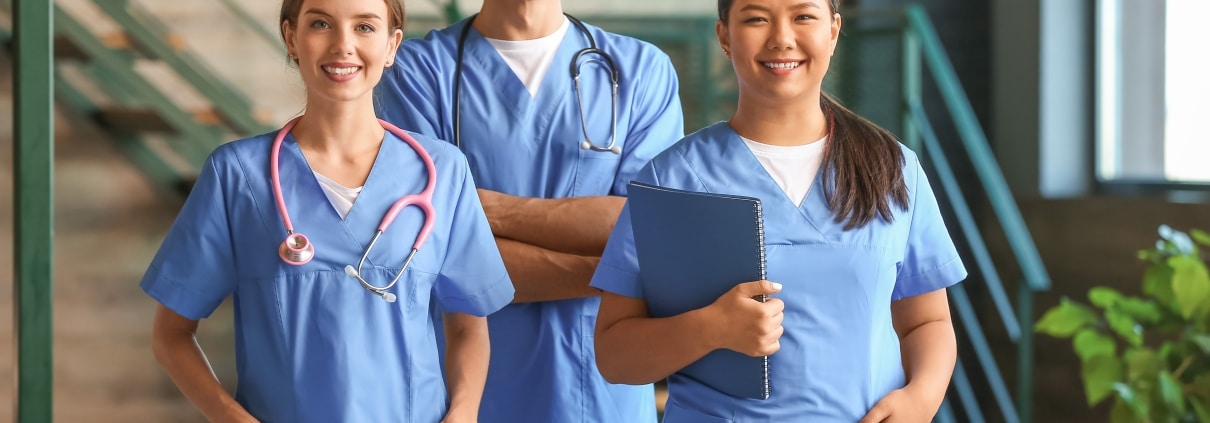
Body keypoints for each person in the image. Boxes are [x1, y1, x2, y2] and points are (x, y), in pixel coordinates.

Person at [590, 0, 967, 421]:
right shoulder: (670, 178)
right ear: (724, 37)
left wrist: (921, 398)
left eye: (803, 16)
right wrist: (709, 329)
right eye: (756, 19)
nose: (782, 39)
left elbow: (927, 323)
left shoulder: (892, 168)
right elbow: (614, 354)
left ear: (834, 31)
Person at [142, 0, 514, 421]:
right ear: (291, 38)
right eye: (320, 23)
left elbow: (468, 324)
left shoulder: (443, 171)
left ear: (392, 46)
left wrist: (461, 416)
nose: (343, 45)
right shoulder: (237, 174)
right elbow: (171, 335)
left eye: (365, 27)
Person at [374, 0, 685, 421]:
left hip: (604, 393)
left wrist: (486, 212)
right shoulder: (415, 73)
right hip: (468, 395)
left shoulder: (640, 70)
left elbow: (654, 233)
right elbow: (427, 249)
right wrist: (618, 274)